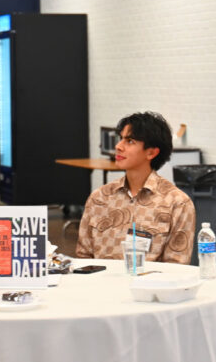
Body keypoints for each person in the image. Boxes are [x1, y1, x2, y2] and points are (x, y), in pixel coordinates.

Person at [76, 111, 195, 264]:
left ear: (151, 152)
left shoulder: (178, 203)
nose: (118, 146)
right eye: (121, 139)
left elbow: (177, 267)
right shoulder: (99, 197)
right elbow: (83, 259)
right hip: (101, 286)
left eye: (130, 141)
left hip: (152, 287)